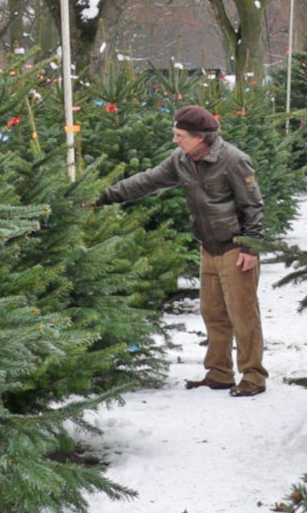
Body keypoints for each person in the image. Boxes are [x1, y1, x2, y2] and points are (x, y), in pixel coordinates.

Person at [95, 105, 268, 397]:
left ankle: (253, 376)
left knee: (243, 314)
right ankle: (219, 372)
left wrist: (251, 246)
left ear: (200, 137)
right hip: (208, 247)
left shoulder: (234, 160)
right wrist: (102, 197)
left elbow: (253, 205)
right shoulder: (182, 160)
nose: (175, 140)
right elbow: (146, 181)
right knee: (212, 312)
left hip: (236, 247)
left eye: (180, 135)